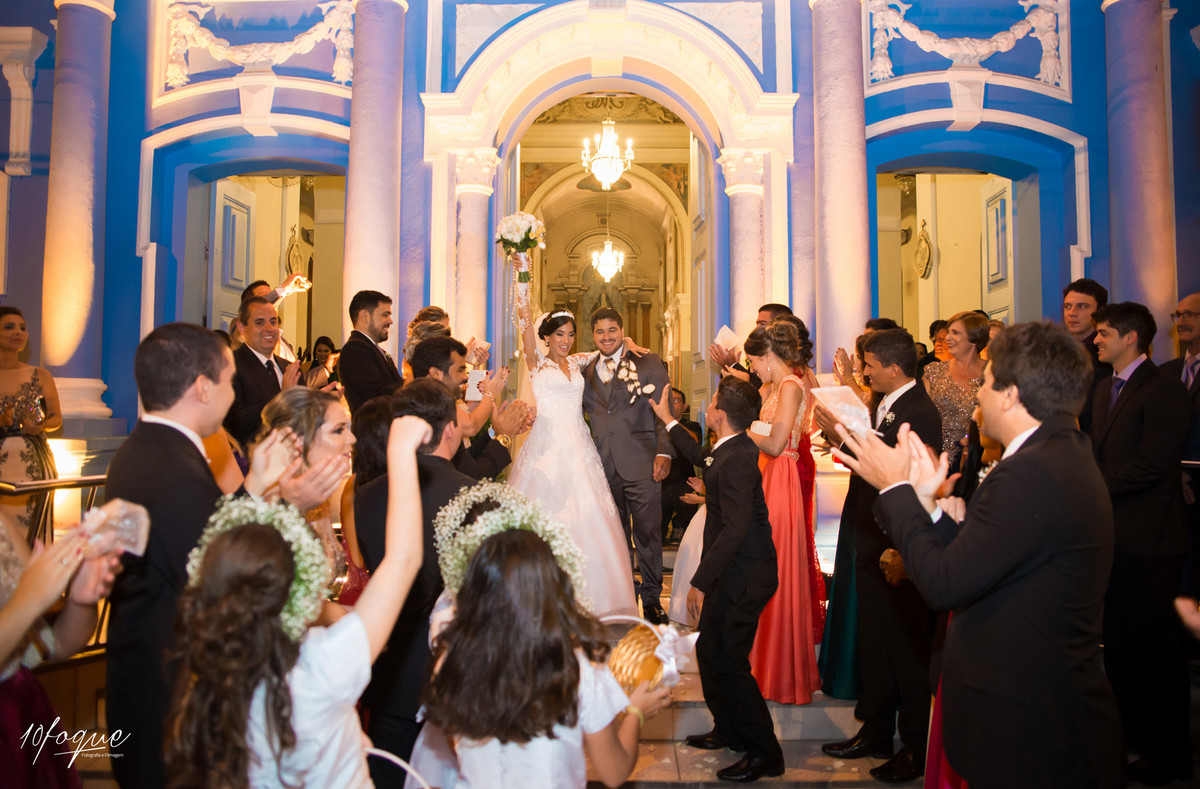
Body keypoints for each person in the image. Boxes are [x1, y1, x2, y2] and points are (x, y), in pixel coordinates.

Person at [832, 321, 1123, 789]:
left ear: (1009, 394)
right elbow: (989, 556)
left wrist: (899, 490)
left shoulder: (1031, 473)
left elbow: (946, 583)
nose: (977, 395)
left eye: (985, 382)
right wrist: (930, 507)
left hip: (1029, 725)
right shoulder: (1056, 452)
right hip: (1035, 710)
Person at [104, 323, 340, 788]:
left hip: (146, 675)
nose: (235, 394)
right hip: (165, 692)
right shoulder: (172, 470)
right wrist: (274, 499)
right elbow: (216, 570)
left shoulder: (150, 451)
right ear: (201, 388)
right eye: (231, 380)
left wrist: (257, 491)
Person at [164, 415, 429, 788]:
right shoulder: (318, 670)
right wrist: (401, 453)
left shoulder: (204, 682)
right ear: (299, 592)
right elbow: (402, 561)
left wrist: (255, 486)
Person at [422, 528, 670, 789]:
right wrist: (635, 713)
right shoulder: (575, 666)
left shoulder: (453, 661)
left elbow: (454, 746)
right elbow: (614, 772)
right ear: (550, 587)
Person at [816, 328, 942, 784]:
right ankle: (875, 731)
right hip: (868, 534)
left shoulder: (919, 413)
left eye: (870, 365)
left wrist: (844, 438)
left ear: (892, 367)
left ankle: (914, 746)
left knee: (904, 650)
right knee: (876, 644)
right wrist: (843, 437)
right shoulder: (884, 403)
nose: (864, 371)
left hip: (895, 544)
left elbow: (901, 474)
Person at [651, 377, 784, 783]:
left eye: (710, 404)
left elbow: (737, 528)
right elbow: (701, 456)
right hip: (733, 571)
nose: (708, 408)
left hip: (746, 576)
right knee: (710, 652)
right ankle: (727, 728)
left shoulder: (740, 460)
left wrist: (700, 580)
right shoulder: (730, 448)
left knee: (729, 663)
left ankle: (765, 751)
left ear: (719, 416)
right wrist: (668, 420)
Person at [1090, 302, 1191, 784]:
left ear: (1131, 338)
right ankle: (1130, 741)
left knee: (1158, 652)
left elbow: (1155, 463)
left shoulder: (1164, 389)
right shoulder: (1104, 387)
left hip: (1152, 541)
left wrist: (1093, 487)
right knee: (1124, 649)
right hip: (1116, 538)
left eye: (1104, 333)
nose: (1096, 340)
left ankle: (1169, 756)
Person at [355, 379, 474, 782]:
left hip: (392, 667)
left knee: (387, 775)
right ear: (451, 429)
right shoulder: (472, 495)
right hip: (454, 671)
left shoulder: (366, 495)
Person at [510, 303, 639, 618]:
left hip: (580, 446)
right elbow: (526, 326)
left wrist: (629, 342)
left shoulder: (578, 362)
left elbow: (606, 350)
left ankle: (594, 598)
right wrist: (523, 272)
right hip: (547, 447)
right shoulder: (536, 364)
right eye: (559, 335)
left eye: (570, 334)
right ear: (547, 337)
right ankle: (540, 597)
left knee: (589, 516)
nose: (565, 341)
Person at [0, 516, 121, 787]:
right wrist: (27, 600)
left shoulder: (2, 525)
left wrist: (81, 600)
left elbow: (56, 645)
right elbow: (26, 603)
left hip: (24, 715)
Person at [741, 319, 824, 706]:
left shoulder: (791, 385)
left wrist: (741, 432)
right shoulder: (771, 386)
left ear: (768, 356)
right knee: (760, 566)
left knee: (773, 567)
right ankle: (761, 661)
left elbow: (776, 442)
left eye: (754, 360)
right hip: (766, 477)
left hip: (780, 476)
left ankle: (780, 669)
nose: (753, 367)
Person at [582, 306, 674, 624]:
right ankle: (624, 595)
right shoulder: (586, 367)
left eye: (612, 330)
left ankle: (651, 598)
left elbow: (665, 409)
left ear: (622, 330)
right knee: (614, 536)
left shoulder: (647, 361)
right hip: (603, 465)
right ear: (592, 335)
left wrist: (665, 452)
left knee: (648, 533)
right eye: (600, 331)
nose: (606, 337)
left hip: (643, 461)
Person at [258, 387, 366, 608]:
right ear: (298, 440)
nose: (352, 438)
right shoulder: (272, 505)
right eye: (338, 430)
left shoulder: (314, 495)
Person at [410, 335, 528, 480]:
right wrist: (504, 436)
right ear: (435, 373)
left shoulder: (434, 402)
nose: (465, 377)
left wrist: (496, 431)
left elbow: (465, 460)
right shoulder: (428, 409)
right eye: (460, 370)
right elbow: (474, 476)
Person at [0, 307, 60, 539]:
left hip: (33, 464)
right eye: (9, 327)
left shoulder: (40, 375)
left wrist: (41, 427)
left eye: (22, 328)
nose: (18, 332)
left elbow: (56, 418)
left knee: (30, 534)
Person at [224, 296, 304, 448]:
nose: (269, 328)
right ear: (242, 328)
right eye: (260, 322)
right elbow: (235, 423)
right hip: (255, 461)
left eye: (273, 322)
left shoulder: (289, 367)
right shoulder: (231, 366)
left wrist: (319, 403)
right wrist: (281, 398)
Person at [1162, 292, 1200, 597]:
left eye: (1190, 315)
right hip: (1170, 490)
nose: (1182, 321)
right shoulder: (1166, 373)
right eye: (1178, 315)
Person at [922, 311, 987, 469]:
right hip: (938, 458)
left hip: (979, 457)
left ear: (974, 338)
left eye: (955, 333)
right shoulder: (934, 372)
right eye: (949, 332)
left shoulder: (992, 371)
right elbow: (923, 418)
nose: (947, 338)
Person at [340, 290, 403, 415]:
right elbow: (376, 396)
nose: (390, 321)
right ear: (365, 317)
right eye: (385, 315)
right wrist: (409, 383)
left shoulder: (374, 349)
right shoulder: (355, 349)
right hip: (373, 431)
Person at [1062, 278, 1111, 433]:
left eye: (1081, 307)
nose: (1072, 313)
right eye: (1067, 307)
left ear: (1100, 311)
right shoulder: (1057, 352)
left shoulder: (1107, 354)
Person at [660, 387, 701, 545]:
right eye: (669, 401)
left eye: (676, 401)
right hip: (662, 481)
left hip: (684, 479)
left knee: (687, 493)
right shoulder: (657, 424)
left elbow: (695, 441)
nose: (672, 404)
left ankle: (680, 527)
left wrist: (673, 423)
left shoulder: (692, 425)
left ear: (684, 407)